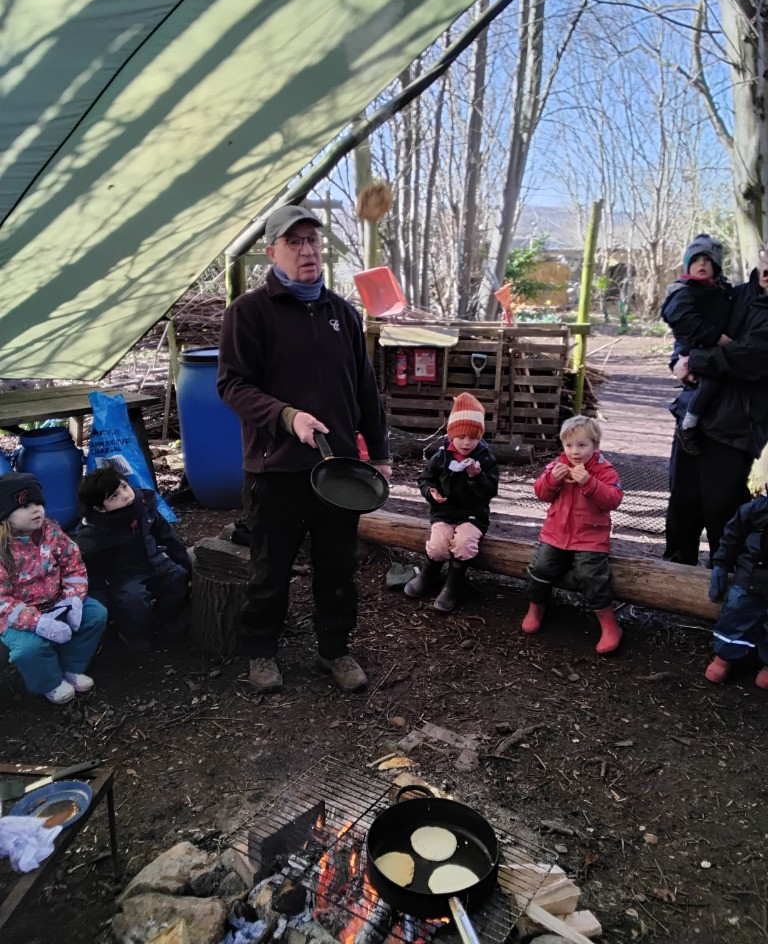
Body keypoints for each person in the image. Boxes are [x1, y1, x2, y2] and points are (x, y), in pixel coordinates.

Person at [217, 204, 392, 693]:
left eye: (313, 240)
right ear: (271, 251)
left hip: (338, 470)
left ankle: (334, 649)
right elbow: (231, 386)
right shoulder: (248, 313)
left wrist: (378, 452)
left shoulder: (342, 313)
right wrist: (286, 417)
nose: (308, 250)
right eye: (294, 242)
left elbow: (364, 387)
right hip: (276, 469)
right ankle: (261, 652)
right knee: (270, 568)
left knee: (338, 566)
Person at [664, 245, 768, 566]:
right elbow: (690, 326)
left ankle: (720, 592)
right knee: (682, 505)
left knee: (722, 510)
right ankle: (670, 584)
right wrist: (678, 361)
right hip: (692, 416)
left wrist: (695, 360)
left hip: (736, 427)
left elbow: (751, 357)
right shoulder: (731, 293)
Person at [0, 472, 107, 704]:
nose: (36, 509)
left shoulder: (52, 533)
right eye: (25, 505)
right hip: (17, 617)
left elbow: (74, 567)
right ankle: (50, 682)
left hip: (57, 602)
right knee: (29, 649)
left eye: (38, 502)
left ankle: (71, 667)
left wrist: (73, 600)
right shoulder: (2, 549)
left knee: (96, 614)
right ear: (4, 515)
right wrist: (37, 622)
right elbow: (2, 601)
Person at [521, 416, 624, 654]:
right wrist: (551, 480)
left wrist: (590, 483)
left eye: (582, 445)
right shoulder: (558, 465)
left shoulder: (604, 471)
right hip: (556, 534)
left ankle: (609, 624)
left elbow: (614, 499)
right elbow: (540, 492)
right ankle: (536, 607)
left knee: (591, 575)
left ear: (595, 446)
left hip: (590, 537)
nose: (574, 452)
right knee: (539, 569)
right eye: (569, 446)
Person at [75, 467, 192, 652]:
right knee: (133, 601)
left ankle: (168, 617)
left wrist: (184, 563)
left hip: (154, 560)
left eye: (124, 486)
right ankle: (133, 634)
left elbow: (167, 536)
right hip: (123, 575)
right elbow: (91, 570)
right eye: (114, 496)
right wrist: (102, 600)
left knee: (176, 578)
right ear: (100, 508)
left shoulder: (144, 506)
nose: (125, 495)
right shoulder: (93, 534)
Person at [404, 393, 499, 613]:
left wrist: (476, 476)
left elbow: (489, 492)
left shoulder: (484, 459)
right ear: (452, 434)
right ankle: (427, 578)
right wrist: (430, 492)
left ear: (480, 437)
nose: (467, 442)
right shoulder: (441, 457)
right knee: (437, 547)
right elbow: (425, 479)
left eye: (473, 437)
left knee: (464, 544)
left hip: (473, 515)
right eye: (462, 436)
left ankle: (452, 586)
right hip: (444, 513)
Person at [661, 234, 733, 455]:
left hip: (711, 353)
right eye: (696, 260)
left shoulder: (723, 291)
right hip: (690, 351)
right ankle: (688, 425)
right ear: (687, 264)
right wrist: (716, 337)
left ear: (717, 266)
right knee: (707, 385)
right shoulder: (682, 291)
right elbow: (681, 320)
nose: (702, 264)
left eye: (708, 260)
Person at [704, 492, 768, 689]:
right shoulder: (758, 508)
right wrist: (721, 563)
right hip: (751, 574)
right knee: (737, 612)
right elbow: (733, 533)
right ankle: (724, 657)